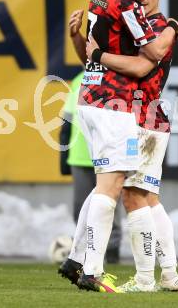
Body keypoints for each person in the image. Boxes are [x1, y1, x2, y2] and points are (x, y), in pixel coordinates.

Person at [61, 0, 178, 293]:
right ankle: (98, 270)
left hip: (120, 107)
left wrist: (90, 50)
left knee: (129, 193)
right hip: (118, 106)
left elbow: (136, 58)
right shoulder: (129, 7)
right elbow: (147, 59)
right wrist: (175, 28)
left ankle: (83, 261)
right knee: (121, 191)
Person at [86, 0, 178, 292]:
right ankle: (169, 275)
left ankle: (145, 279)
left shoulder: (156, 30)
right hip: (148, 117)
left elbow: (142, 67)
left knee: (133, 197)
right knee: (148, 198)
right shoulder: (141, 26)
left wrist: (99, 53)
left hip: (143, 116)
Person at [59, 68, 122, 265]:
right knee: (81, 208)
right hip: (80, 156)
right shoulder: (80, 79)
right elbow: (67, 121)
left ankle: (111, 251)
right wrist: (64, 156)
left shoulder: (118, 78)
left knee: (108, 205)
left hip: (107, 154)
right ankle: (82, 253)